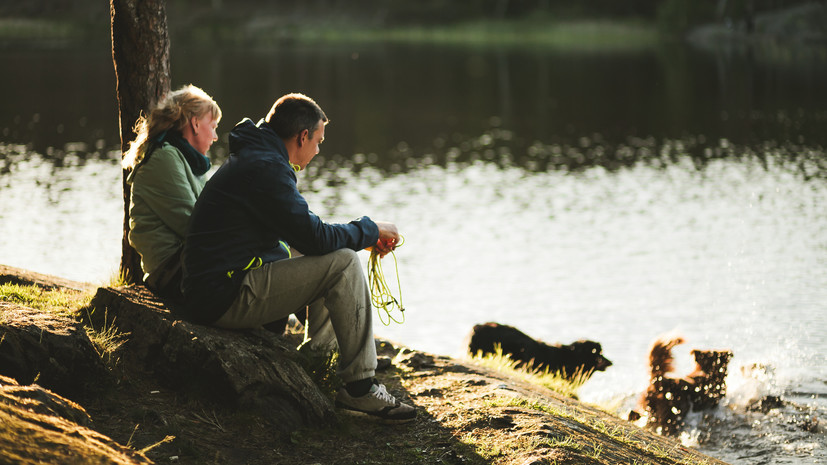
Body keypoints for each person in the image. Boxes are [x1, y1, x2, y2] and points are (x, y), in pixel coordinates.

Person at [180, 93, 416, 423]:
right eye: (318, 141)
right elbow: (315, 236)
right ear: (302, 136)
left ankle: (321, 359)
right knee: (343, 261)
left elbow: (307, 235)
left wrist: (359, 236)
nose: (318, 150)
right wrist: (370, 230)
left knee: (331, 252)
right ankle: (360, 388)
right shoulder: (266, 168)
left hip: (218, 286)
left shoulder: (259, 157)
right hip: (222, 296)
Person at [122, 85, 221, 301]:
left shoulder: (190, 162)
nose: (215, 136)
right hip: (172, 272)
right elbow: (193, 225)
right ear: (195, 123)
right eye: (213, 126)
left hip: (189, 262)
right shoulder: (164, 158)